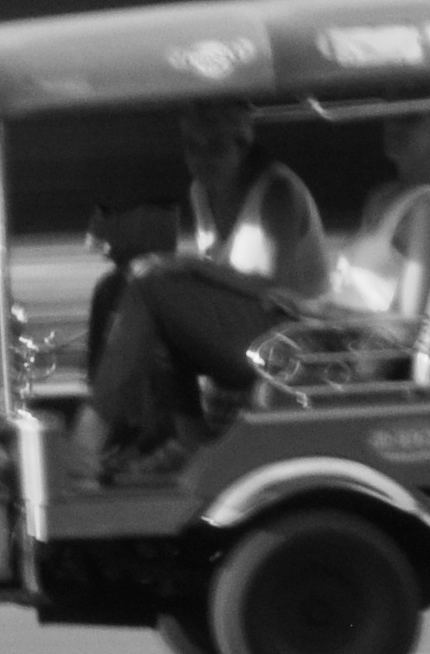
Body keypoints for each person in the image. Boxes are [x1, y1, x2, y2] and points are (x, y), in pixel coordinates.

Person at [71, 100, 326, 483]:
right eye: (193, 147)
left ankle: (87, 442)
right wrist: (172, 269)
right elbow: (218, 277)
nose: (202, 159)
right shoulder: (201, 193)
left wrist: (187, 265)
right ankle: (175, 438)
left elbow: (273, 288)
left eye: (216, 147)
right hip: (245, 334)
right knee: (128, 285)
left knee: (152, 290)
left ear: (242, 145)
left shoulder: (277, 192)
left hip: (289, 341)